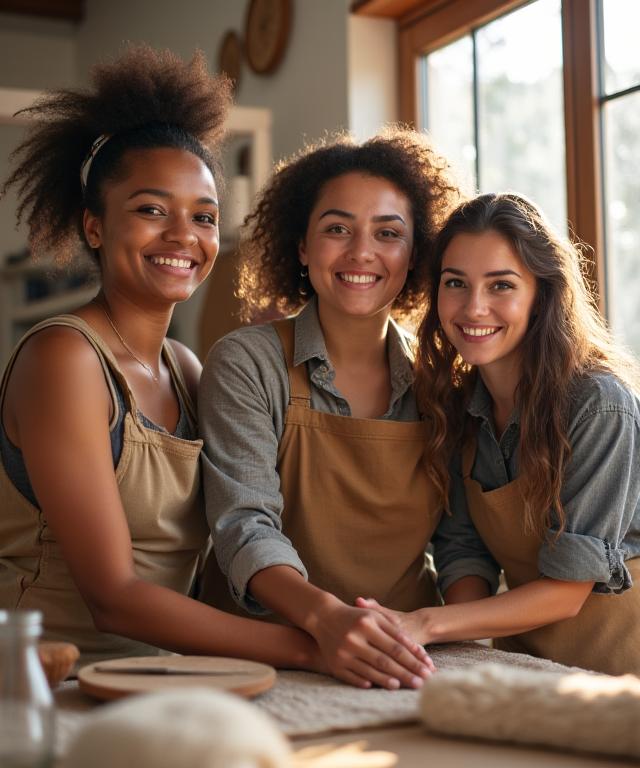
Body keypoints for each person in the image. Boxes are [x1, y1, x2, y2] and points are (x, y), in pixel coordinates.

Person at [0, 44, 342, 676]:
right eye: (151, 210)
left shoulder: (187, 369)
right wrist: (312, 647)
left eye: (204, 216)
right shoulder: (64, 359)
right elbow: (114, 600)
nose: (184, 235)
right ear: (95, 226)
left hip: (154, 677)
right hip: (44, 685)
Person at [197, 129, 473, 689]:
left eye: (388, 233)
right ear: (302, 245)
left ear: (415, 253)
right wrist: (327, 620)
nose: (361, 252)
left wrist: (455, 645)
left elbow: (460, 542)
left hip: (405, 656)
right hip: (267, 655)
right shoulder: (247, 363)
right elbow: (244, 526)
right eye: (337, 228)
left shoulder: (445, 378)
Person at [357, 192, 640, 676]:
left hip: (622, 672)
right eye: (456, 283)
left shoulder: (599, 404)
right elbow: (465, 550)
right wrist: (466, 651)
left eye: (501, 285)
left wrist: (426, 623)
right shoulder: (456, 407)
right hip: (527, 668)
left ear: (541, 296)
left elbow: (569, 589)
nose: (474, 307)